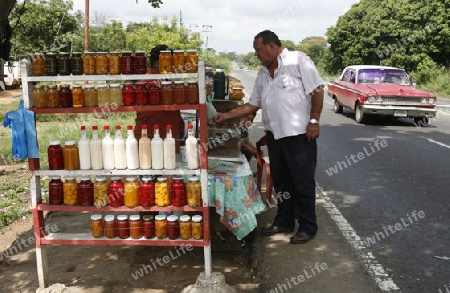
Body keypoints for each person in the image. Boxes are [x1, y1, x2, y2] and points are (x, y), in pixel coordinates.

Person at [214, 30, 324, 244]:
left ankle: (308, 227)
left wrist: (314, 121)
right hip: (275, 136)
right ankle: (284, 221)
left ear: (272, 47)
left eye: (258, 49)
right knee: (282, 182)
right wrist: (226, 115)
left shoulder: (298, 60)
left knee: (302, 183)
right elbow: (252, 104)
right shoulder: (263, 74)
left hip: (300, 135)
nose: (256, 54)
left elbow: (317, 90)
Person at [134, 44, 184, 153]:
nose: (173, 66)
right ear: (159, 62)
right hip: (153, 137)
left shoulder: (166, 78)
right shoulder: (149, 80)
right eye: (170, 62)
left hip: (167, 135)